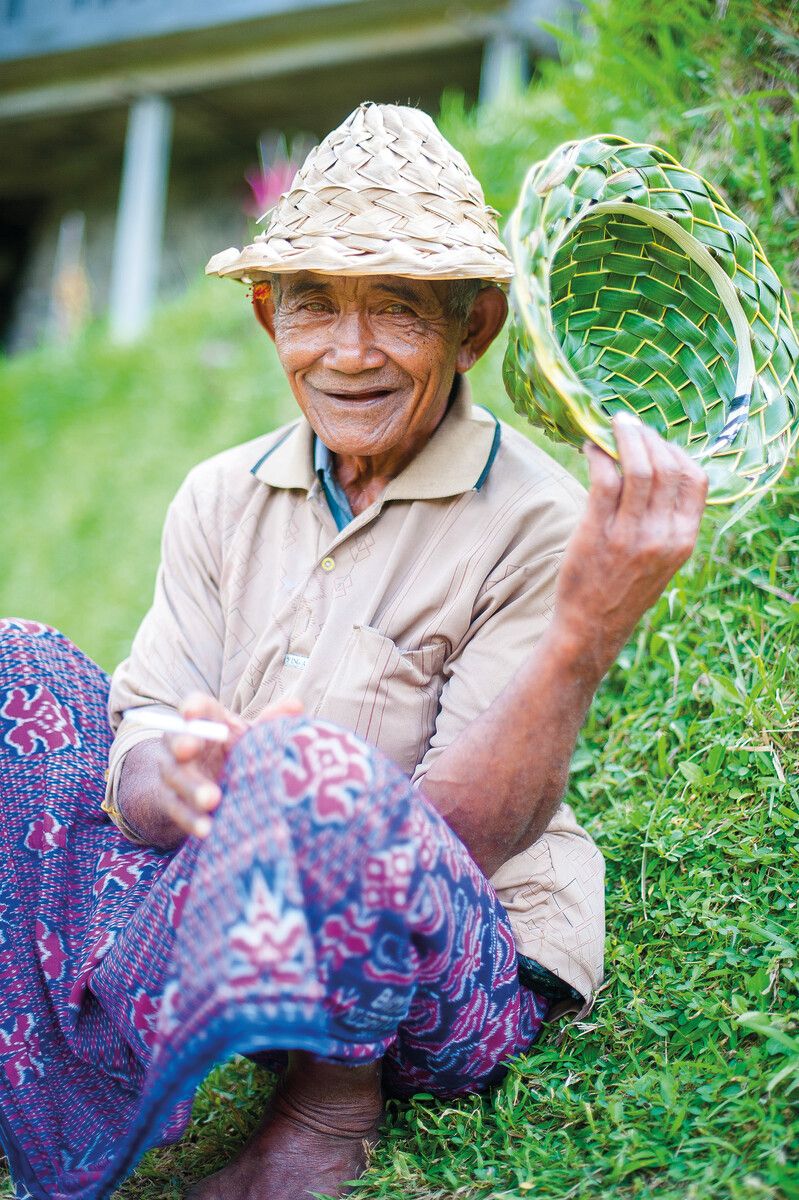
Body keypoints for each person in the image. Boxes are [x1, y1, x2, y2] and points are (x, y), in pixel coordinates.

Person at [0, 102, 707, 1200]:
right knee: (17, 667)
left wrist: (585, 632)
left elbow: (461, 839)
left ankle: (328, 1113)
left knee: (312, 768)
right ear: (264, 312)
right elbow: (143, 729)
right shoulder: (217, 497)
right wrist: (172, 779)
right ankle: (52, 1062)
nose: (349, 351)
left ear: (471, 328)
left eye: (397, 313)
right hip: (243, 911)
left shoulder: (536, 521)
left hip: (444, 971)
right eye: (314, 306)